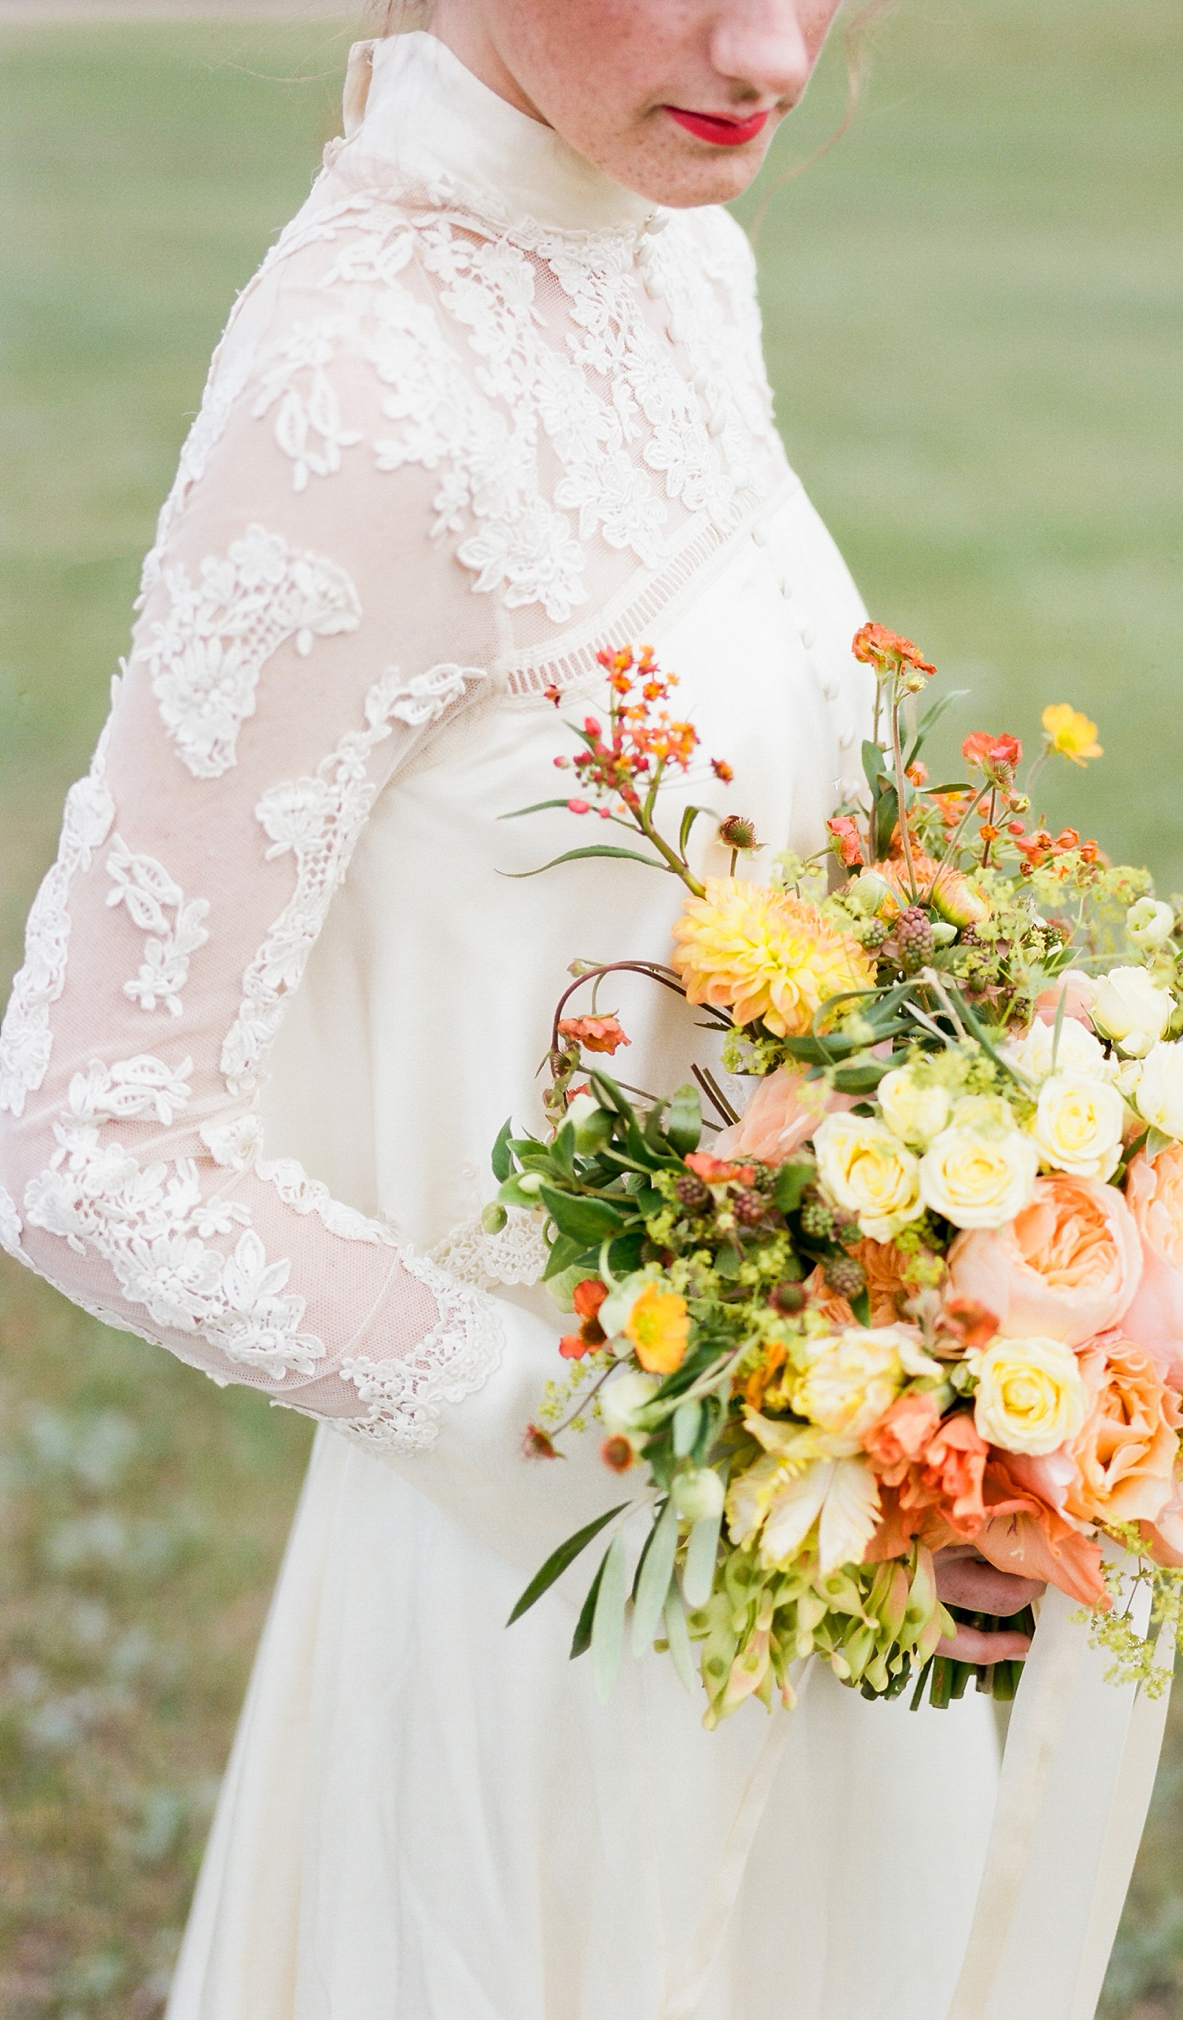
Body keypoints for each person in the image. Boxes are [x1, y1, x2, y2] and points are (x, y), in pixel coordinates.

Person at [0, 4, 1042, 2014]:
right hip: (550, 1614)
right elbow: (79, 1131)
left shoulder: (669, 245)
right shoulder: (357, 396)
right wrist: (654, 1430)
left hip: (824, 1538)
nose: (779, 52)